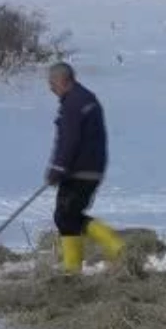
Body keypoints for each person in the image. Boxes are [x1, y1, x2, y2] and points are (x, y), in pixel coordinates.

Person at [45, 61, 125, 274]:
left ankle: (115, 245)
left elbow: (69, 140)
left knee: (65, 215)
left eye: (52, 83)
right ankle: (73, 269)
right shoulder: (85, 98)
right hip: (92, 167)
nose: (50, 88)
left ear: (63, 80)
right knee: (67, 216)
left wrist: (57, 168)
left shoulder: (73, 103)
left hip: (78, 169)